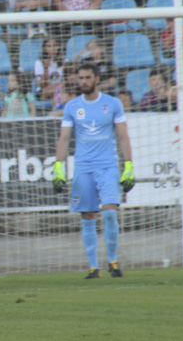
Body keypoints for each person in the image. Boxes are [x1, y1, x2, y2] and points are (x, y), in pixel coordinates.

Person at [53, 61, 133, 279]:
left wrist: (129, 166)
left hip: (107, 166)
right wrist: (58, 168)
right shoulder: (71, 107)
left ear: (97, 79)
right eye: (80, 78)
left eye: (88, 77)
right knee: (88, 216)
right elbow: (64, 138)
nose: (84, 82)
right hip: (83, 168)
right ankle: (93, 267)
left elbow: (123, 136)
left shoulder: (113, 104)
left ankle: (113, 262)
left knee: (109, 212)